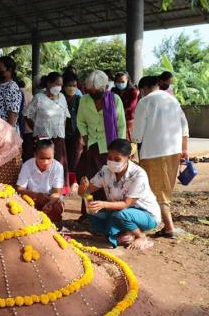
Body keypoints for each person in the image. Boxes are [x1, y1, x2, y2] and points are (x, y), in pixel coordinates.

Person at [133, 75, 189, 239]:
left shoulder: (144, 102)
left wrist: (133, 147)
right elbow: (184, 126)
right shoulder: (172, 100)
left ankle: (169, 227)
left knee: (157, 191)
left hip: (153, 153)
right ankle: (162, 224)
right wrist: (184, 149)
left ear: (143, 89)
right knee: (165, 189)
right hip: (174, 151)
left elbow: (137, 135)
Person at [78, 139, 161, 250]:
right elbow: (84, 193)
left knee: (121, 215)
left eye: (117, 159)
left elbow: (126, 204)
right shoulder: (105, 171)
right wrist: (83, 189)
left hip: (146, 215)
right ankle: (125, 233)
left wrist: (103, 204)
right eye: (109, 158)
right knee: (92, 211)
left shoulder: (138, 175)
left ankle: (141, 237)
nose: (112, 162)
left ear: (129, 158)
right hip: (118, 212)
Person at [76, 70, 126, 215]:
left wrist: (120, 148)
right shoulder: (84, 100)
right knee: (91, 181)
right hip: (92, 145)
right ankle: (89, 213)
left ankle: (107, 212)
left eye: (96, 91)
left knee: (109, 181)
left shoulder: (115, 99)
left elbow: (121, 124)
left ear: (104, 87)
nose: (93, 94)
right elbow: (80, 121)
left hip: (111, 146)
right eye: (90, 91)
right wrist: (85, 138)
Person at [24, 72, 70, 192]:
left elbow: (65, 116)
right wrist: (36, 128)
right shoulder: (39, 98)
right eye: (56, 84)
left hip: (59, 137)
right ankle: (41, 189)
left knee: (58, 163)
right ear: (49, 83)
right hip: (42, 138)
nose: (59, 87)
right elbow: (28, 115)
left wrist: (61, 130)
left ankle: (58, 189)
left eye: (61, 85)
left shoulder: (62, 98)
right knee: (43, 163)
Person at [16, 139, 65, 229]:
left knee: (57, 206)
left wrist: (49, 203)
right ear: (35, 155)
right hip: (32, 198)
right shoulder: (27, 166)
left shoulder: (58, 167)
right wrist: (37, 196)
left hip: (50, 199)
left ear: (54, 154)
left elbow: (57, 192)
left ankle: (54, 227)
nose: (45, 162)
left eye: (49, 158)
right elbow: (19, 189)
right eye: (42, 158)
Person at [63, 71, 83, 173]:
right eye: (69, 85)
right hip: (60, 135)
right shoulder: (59, 97)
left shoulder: (79, 99)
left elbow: (83, 119)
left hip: (75, 134)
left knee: (74, 160)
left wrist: (80, 137)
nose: (71, 88)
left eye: (74, 85)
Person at [111, 71, 139, 140]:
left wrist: (116, 113)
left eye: (122, 82)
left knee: (127, 142)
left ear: (127, 81)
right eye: (118, 82)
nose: (120, 84)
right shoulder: (113, 91)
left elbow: (130, 107)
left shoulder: (133, 91)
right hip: (115, 121)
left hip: (128, 121)